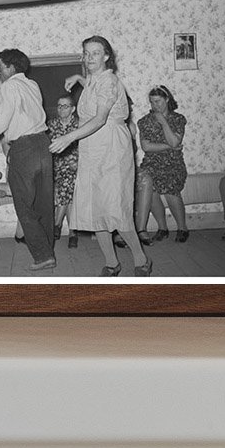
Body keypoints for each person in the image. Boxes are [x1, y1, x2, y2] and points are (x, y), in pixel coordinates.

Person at [49, 36, 151, 277]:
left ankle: (141, 260)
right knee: (96, 209)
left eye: (95, 53)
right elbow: (95, 90)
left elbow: (100, 118)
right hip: (92, 148)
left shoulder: (110, 80)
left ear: (106, 56)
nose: (89, 57)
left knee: (116, 208)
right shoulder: (95, 80)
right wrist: (80, 78)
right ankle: (112, 263)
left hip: (111, 148)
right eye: (86, 53)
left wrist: (68, 138)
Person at [0, 48, 56, 271]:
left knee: (24, 205)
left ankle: (43, 256)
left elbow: (1, 121)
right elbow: (23, 116)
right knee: (44, 204)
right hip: (43, 144)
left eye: (0, 66)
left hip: (24, 149)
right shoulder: (32, 85)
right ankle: (48, 252)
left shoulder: (10, 86)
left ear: (11, 67)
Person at [136, 85, 189, 244]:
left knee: (171, 190)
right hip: (152, 162)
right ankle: (162, 228)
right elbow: (146, 147)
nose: (155, 105)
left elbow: (175, 141)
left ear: (167, 99)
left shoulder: (178, 119)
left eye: (158, 101)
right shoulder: (144, 121)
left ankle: (182, 228)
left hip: (173, 162)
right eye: (152, 102)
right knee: (149, 189)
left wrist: (164, 123)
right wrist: (169, 146)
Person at [48, 91, 80, 249]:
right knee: (68, 188)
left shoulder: (80, 125)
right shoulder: (51, 125)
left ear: (73, 109)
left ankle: (57, 224)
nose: (61, 109)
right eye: (59, 106)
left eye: (65, 106)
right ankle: (72, 232)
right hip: (56, 167)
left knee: (68, 182)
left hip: (77, 167)